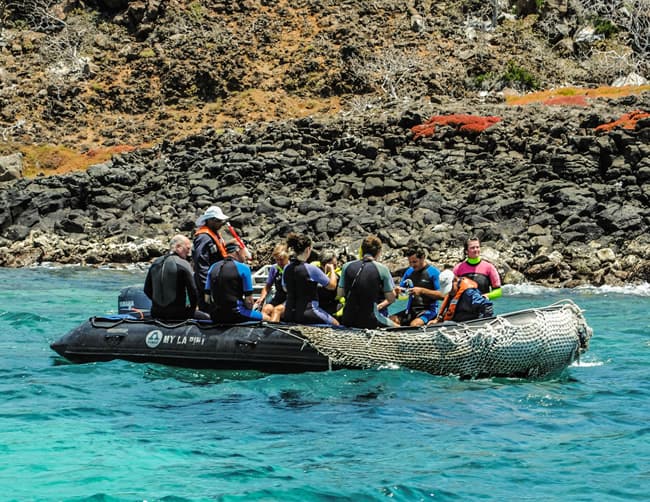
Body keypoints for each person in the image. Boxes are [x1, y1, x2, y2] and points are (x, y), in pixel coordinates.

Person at [205, 239, 270, 324]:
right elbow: (249, 302)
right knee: (267, 318)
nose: (246, 255)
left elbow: (207, 299)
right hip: (236, 314)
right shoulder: (243, 268)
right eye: (244, 250)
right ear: (238, 250)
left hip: (216, 315)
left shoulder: (213, 267)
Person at [337, 235, 397, 329]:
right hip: (370, 320)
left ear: (362, 250)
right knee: (398, 327)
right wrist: (395, 292)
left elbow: (340, 294)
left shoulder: (346, 266)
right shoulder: (382, 269)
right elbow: (391, 299)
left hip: (348, 318)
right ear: (379, 252)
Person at [282, 233, 339, 325]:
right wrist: (332, 269)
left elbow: (285, 288)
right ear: (308, 249)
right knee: (336, 324)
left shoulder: (286, 268)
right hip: (308, 312)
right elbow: (332, 286)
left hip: (289, 312)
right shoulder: (310, 269)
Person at [144, 234, 198, 320]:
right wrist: (192, 308)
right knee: (207, 317)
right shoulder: (183, 264)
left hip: (156, 313)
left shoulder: (155, 263)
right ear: (178, 247)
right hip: (177, 314)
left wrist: (159, 304)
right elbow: (193, 291)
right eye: (187, 248)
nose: (189, 253)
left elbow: (147, 290)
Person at [392, 245, 445, 327]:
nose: (412, 265)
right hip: (410, 310)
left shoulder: (434, 272)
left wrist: (422, 291)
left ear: (423, 258)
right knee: (390, 321)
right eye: (410, 262)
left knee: (414, 325)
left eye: (415, 262)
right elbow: (400, 294)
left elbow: (443, 295)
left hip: (428, 310)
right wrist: (397, 292)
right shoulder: (409, 272)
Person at [193, 205, 229, 310]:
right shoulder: (203, 238)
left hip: (217, 281)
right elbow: (201, 264)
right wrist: (207, 288)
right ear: (210, 221)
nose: (221, 223)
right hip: (208, 283)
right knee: (208, 309)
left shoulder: (214, 235)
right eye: (218, 220)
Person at [453, 236, 502, 301]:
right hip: (464, 309)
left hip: (482, 307)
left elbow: (498, 291)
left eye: (477, 247)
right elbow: (451, 291)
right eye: (472, 248)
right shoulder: (458, 268)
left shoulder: (489, 267)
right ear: (466, 251)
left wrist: (487, 296)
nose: (476, 250)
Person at [254, 243, 289, 323]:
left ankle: (274, 325)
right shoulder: (274, 268)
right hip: (278, 297)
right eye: (277, 260)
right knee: (265, 310)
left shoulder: (292, 268)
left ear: (287, 257)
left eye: (282, 259)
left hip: (290, 298)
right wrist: (262, 297)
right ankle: (272, 326)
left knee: (276, 311)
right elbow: (267, 286)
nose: (279, 262)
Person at [313, 249, 343, 318]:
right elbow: (331, 286)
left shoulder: (338, 274)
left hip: (327, 303)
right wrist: (332, 270)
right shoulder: (315, 271)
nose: (337, 267)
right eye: (334, 265)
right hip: (324, 306)